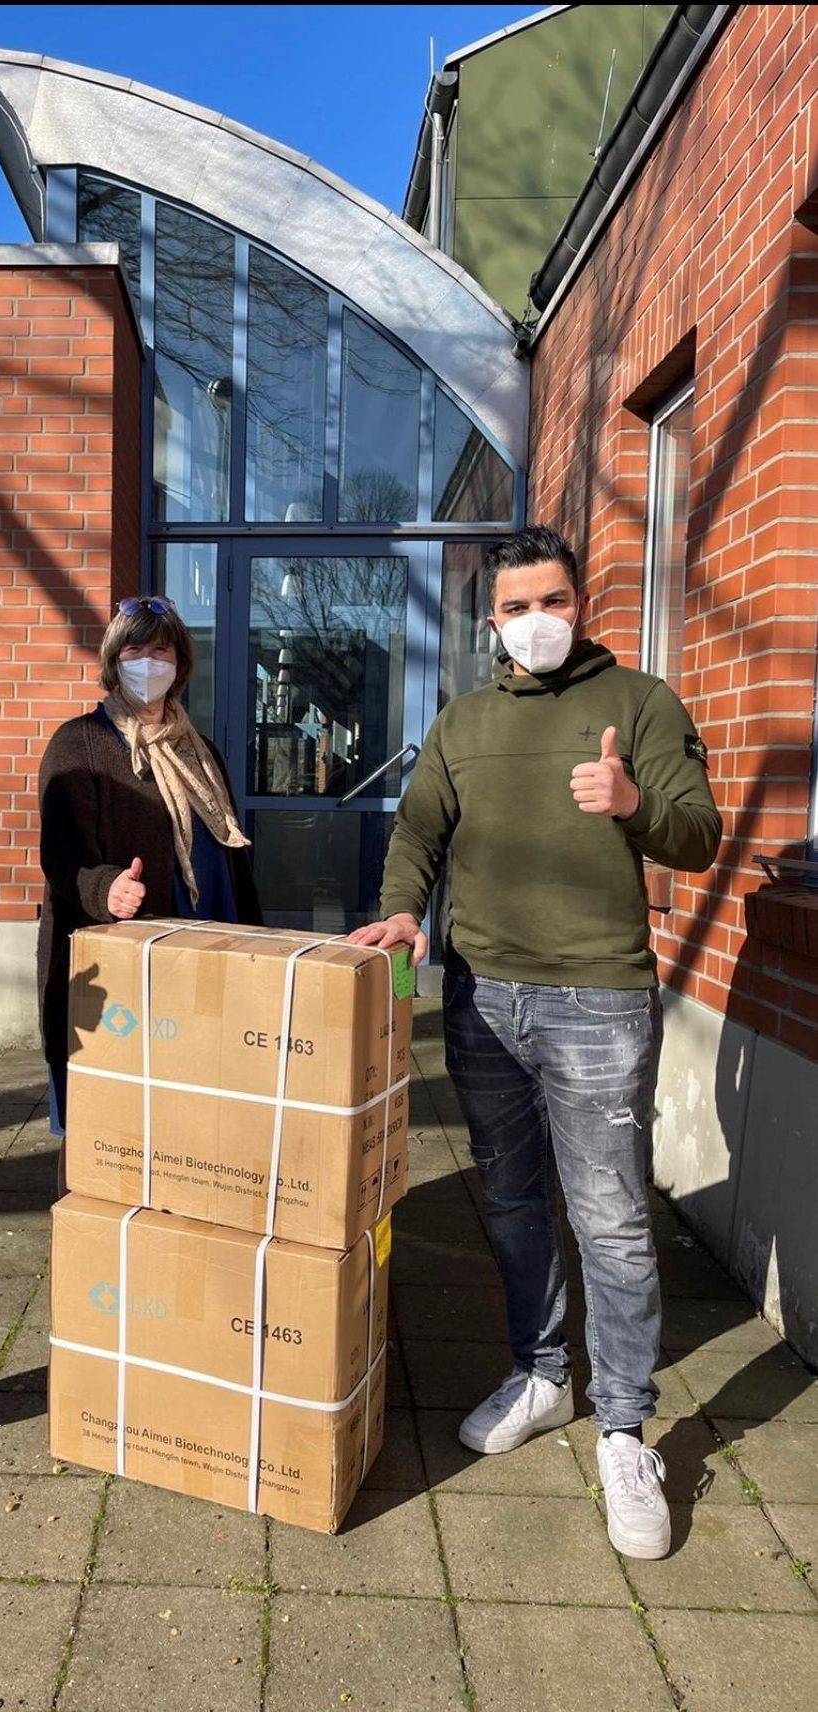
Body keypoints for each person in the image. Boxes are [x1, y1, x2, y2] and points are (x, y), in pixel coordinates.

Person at [350, 526, 721, 1561]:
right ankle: (542, 1373)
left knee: (609, 1217)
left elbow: (698, 833)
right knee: (511, 1202)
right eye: (515, 607)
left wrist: (633, 803)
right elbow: (418, 831)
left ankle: (624, 1429)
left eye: (551, 600)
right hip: (481, 1000)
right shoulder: (462, 722)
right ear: (492, 621)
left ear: (579, 601)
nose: (535, 622)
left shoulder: (639, 704)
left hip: (597, 998)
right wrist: (401, 910)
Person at [38, 594, 261, 1143]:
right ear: (113, 661)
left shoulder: (201, 752)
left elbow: (231, 853)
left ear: (179, 664)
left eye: (161, 651)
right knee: (106, 1132)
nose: (148, 662)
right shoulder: (80, 743)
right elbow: (60, 855)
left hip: (207, 952)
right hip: (124, 963)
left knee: (195, 1121)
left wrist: (257, 943)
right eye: (133, 651)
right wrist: (104, 888)